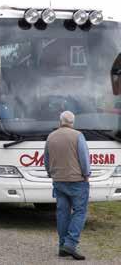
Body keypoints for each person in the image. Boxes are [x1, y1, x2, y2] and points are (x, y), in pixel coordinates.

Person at [44, 111, 91, 260]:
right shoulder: (78, 136)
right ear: (73, 122)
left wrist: (50, 173)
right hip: (77, 180)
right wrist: (86, 174)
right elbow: (84, 158)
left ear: (60, 121)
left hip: (58, 180)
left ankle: (62, 246)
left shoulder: (51, 137)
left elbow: (46, 158)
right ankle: (70, 244)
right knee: (80, 211)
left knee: (62, 213)